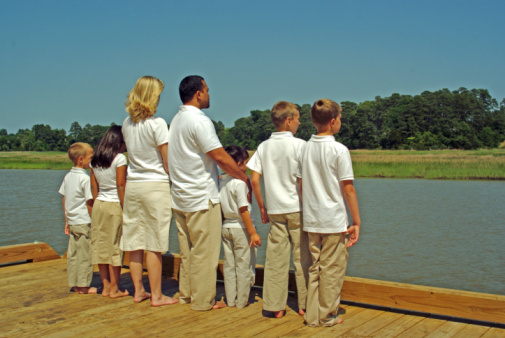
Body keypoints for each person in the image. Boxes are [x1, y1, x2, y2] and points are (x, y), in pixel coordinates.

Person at [168, 75, 251, 311]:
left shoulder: (175, 120)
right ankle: (203, 301)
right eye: (207, 90)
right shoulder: (199, 121)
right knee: (205, 253)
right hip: (201, 197)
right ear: (198, 94)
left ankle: (187, 294)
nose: (209, 94)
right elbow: (219, 156)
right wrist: (243, 177)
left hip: (180, 196)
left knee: (188, 252)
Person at [300, 99, 361, 327]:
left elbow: (301, 184)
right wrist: (356, 221)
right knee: (332, 270)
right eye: (340, 119)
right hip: (333, 221)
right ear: (333, 121)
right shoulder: (339, 150)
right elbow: (348, 189)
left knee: (315, 268)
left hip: (312, 219)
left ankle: (312, 314)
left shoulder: (304, 148)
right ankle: (327, 316)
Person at [247, 100, 311, 318]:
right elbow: (302, 182)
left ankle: (275, 306)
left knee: (275, 260)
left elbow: (255, 180)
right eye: (298, 119)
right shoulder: (300, 145)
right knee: (302, 258)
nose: (299, 123)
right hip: (297, 209)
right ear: (288, 120)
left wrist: (262, 206)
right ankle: (304, 304)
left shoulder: (264, 146)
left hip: (275, 211)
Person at [120, 75, 178, 307]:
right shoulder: (157, 124)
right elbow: (167, 161)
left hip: (133, 185)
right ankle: (157, 295)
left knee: (134, 242)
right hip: (155, 186)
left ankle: (138, 292)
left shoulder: (126, 124)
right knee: (154, 243)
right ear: (152, 96)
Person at [219, 145, 261, 309]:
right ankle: (242, 301)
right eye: (244, 163)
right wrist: (253, 233)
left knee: (229, 265)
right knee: (244, 265)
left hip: (226, 227)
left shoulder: (221, 182)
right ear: (237, 164)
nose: (246, 167)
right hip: (240, 228)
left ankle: (230, 299)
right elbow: (243, 209)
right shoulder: (239, 183)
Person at [89, 125, 129, 299]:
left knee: (100, 245)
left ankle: (105, 286)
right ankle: (114, 288)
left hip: (99, 204)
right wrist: (126, 207)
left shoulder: (95, 159)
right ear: (119, 141)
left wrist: (97, 204)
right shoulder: (119, 159)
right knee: (115, 246)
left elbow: (93, 187)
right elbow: (121, 185)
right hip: (114, 205)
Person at [59, 142, 98, 294]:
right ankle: (83, 285)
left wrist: (67, 220)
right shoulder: (85, 179)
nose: (92, 160)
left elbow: (64, 198)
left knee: (73, 254)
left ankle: (74, 282)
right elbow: (89, 202)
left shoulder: (68, 177)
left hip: (73, 222)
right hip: (83, 222)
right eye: (91, 157)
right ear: (81, 159)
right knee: (85, 254)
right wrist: (94, 220)